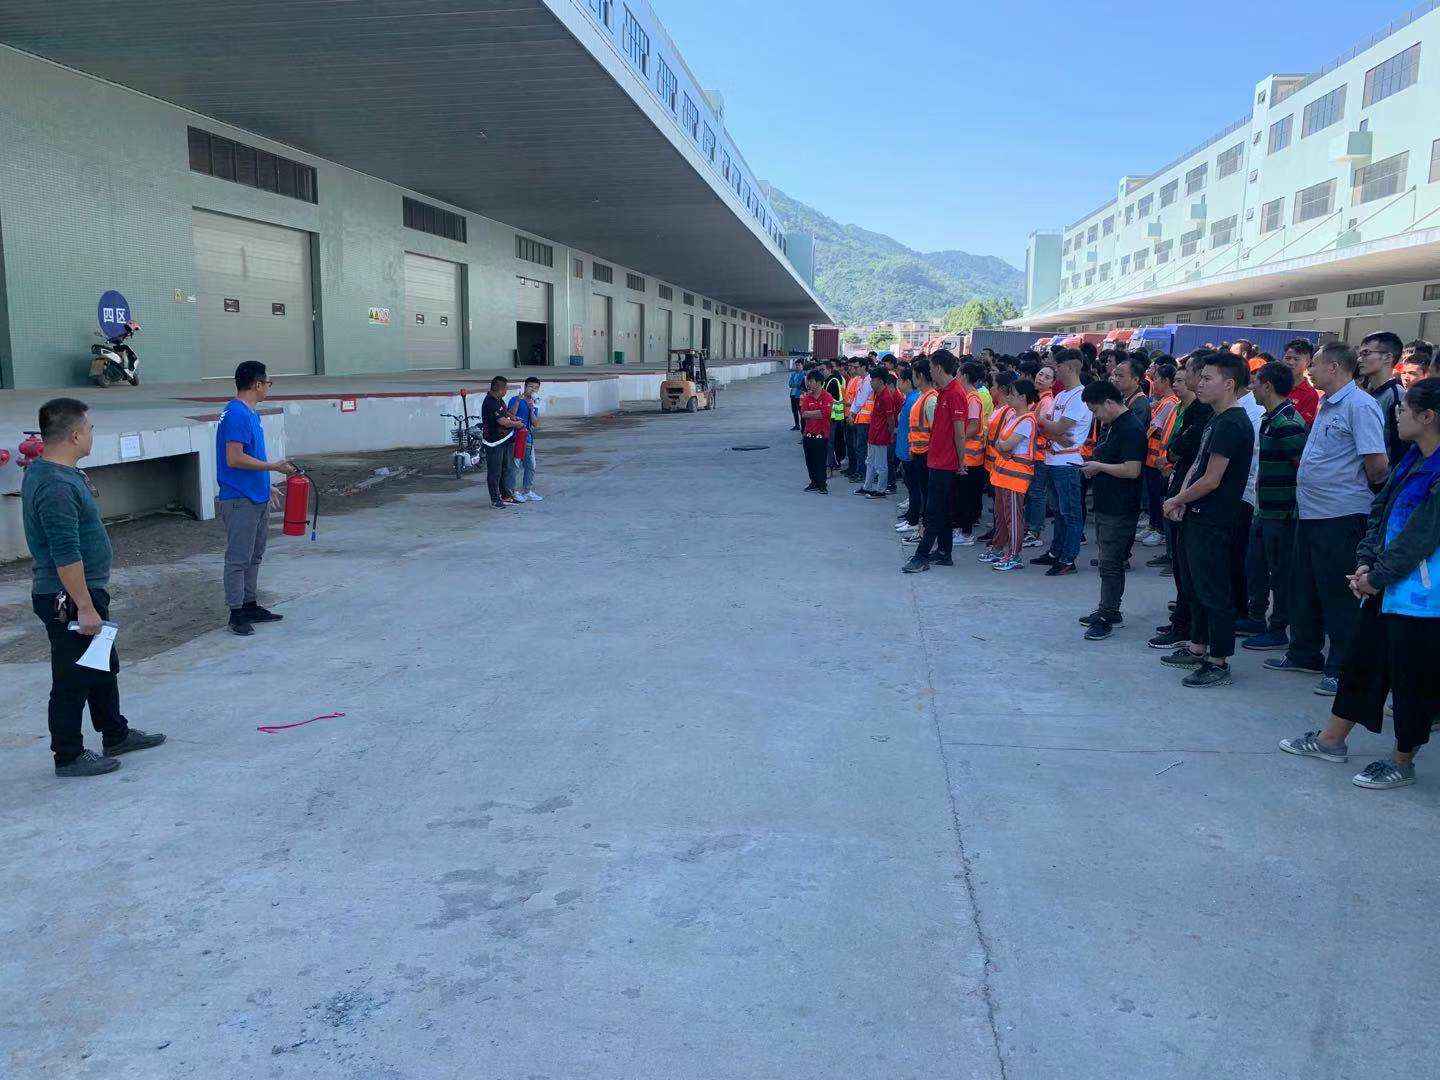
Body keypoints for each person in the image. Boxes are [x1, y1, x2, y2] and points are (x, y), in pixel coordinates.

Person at [1279, 378, 1440, 790]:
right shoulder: (1412, 459)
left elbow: (1420, 538)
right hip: (1385, 587)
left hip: (1422, 600)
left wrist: (1376, 577)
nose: (1397, 414)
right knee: (1362, 663)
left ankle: (1402, 760)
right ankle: (1332, 739)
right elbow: (1380, 510)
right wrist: (1366, 562)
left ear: (1427, 417)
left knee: (1412, 682)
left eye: (1405, 409)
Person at [22, 398, 165, 777]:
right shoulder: (54, 485)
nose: (91, 435)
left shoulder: (59, 472)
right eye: (88, 429)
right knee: (72, 677)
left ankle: (115, 733)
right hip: (67, 596)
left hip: (84, 591)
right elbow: (65, 553)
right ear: (74, 435)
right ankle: (68, 755)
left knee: (100, 665)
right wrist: (84, 606)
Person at [1262, 342, 1389, 694]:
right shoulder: (1328, 403)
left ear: (1333, 368)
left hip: (1341, 514)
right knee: (1305, 585)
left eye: (1315, 365)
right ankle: (1304, 652)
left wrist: (1353, 492)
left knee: (1338, 594)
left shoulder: (1360, 406)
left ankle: (1342, 668)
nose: (1309, 371)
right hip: (1311, 512)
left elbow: (1377, 464)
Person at [1160, 351, 1255, 687]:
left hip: (1215, 519)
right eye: (1199, 377)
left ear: (1229, 384)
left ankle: (1218, 660)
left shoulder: (1232, 423)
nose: (1198, 383)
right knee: (1195, 586)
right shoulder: (1216, 418)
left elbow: (1213, 479)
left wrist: (1178, 499)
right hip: (1196, 513)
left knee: (1214, 590)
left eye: (1207, 378)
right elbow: (1197, 467)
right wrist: (1182, 500)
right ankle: (1197, 646)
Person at [216, 361, 298, 636]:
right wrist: (273, 467)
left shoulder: (249, 413)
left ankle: (249, 604)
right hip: (240, 499)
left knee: (254, 555)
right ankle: (236, 612)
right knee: (239, 557)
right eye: (268, 383)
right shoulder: (237, 414)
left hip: (255, 495)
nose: (269, 388)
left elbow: (251, 456)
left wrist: (266, 484)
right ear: (256, 384)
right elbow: (234, 458)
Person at [1241, 362, 1309, 652]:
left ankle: (1278, 627)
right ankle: (1256, 617)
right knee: (1256, 565)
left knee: (1280, 572)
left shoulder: (1287, 422)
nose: (1252, 387)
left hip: (1281, 513)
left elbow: (1301, 468)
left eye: (1256, 382)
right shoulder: (1271, 418)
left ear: (1267, 386)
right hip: (1264, 509)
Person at [1077, 381, 1147, 639]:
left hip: (1121, 507)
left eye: (1096, 411)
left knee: (1111, 562)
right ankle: (1107, 608)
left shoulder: (1131, 428)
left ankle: (1108, 613)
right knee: (1107, 560)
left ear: (1108, 402)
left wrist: (1098, 467)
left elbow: (1132, 469)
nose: (1096, 417)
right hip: (1108, 503)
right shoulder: (1113, 425)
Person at [1031, 351, 1091, 576]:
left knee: (1070, 513)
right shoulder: (1061, 396)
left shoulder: (1080, 396)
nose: (1056, 370)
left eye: (1058, 366)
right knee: (1058, 511)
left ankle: (1068, 558)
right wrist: (1051, 429)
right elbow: (1046, 428)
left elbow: (1055, 426)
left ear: (1071, 368)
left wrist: (1045, 423)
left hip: (1068, 463)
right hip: (1054, 459)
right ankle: (1056, 552)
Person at [904, 350, 963, 573]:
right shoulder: (944, 392)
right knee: (943, 509)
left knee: (933, 510)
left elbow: (960, 432)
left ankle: (921, 556)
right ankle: (944, 552)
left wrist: (961, 462)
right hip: (935, 459)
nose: (929, 372)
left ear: (938, 368)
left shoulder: (955, 393)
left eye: (930, 368)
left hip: (945, 462)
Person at [987, 379, 1039, 572]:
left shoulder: (1027, 420)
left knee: (1013, 517)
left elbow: (1006, 445)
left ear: (1023, 397)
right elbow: (1001, 442)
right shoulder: (1014, 416)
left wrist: (1002, 446)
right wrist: (1002, 446)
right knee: (1001, 514)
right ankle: (1000, 549)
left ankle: (1014, 555)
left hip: (1015, 478)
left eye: (1012, 394)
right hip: (1003, 475)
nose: (1008, 397)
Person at [1141, 363, 1180, 550]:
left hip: (1159, 460)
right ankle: (1153, 525)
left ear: (1165, 381)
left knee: (1157, 495)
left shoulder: (1170, 402)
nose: (1153, 382)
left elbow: (1155, 427)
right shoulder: (1163, 401)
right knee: (1152, 494)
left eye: (1156, 378)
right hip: (1152, 457)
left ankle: (1159, 530)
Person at [898, 359, 937, 539]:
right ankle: (918, 525)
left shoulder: (930, 399)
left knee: (924, 494)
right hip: (918, 452)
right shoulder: (922, 396)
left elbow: (935, 432)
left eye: (913, 375)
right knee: (921, 491)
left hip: (926, 454)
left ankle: (922, 530)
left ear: (920, 376)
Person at [1359, 331, 1407, 465]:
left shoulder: (1397, 396)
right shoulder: (1364, 393)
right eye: (1360, 354)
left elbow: (1399, 444)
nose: (1360, 359)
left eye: (1366, 353)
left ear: (1388, 357)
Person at [1022, 364, 1056, 546]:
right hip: (1033, 453)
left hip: (1040, 455)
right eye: (1040, 374)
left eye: (1047, 377)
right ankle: (1029, 527)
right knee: (1032, 492)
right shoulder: (1037, 399)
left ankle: (1034, 531)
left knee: (1036, 493)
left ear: (1052, 383)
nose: (1041, 378)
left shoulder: (1047, 402)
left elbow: (1042, 428)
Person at [481, 375, 525, 509]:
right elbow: (502, 421)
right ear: (500, 389)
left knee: (505, 469)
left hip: (504, 440)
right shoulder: (490, 402)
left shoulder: (499, 400)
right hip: (493, 443)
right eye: (505, 388)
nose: (506, 391)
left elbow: (506, 414)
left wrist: (514, 416)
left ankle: (505, 496)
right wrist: (516, 424)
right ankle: (495, 500)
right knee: (494, 472)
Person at [858, 369, 901, 498]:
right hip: (873, 435)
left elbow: (890, 419)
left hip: (881, 436)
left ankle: (881, 490)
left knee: (881, 464)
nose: (871, 383)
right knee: (870, 462)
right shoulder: (878, 394)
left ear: (881, 381)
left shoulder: (886, 397)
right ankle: (867, 487)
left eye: (873, 380)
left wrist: (890, 434)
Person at [506, 376, 543, 502]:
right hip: (515, 437)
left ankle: (527, 490)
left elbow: (535, 423)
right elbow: (510, 414)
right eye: (531, 386)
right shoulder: (515, 399)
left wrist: (531, 409)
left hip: (528, 438)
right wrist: (518, 401)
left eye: (536, 388)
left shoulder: (534, 402)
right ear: (525, 386)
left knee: (531, 465)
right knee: (514, 466)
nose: (533, 389)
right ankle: (512, 491)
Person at [798, 370, 834, 493]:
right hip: (808, 435)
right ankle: (813, 482)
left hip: (822, 435)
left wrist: (811, 413)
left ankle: (822, 484)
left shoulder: (827, 397)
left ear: (818, 383)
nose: (808, 384)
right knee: (810, 461)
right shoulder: (807, 398)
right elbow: (803, 414)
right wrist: (817, 413)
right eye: (808, 381)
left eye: (811, 381)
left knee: (821, 461)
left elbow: (826, 413)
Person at [1282, 339, 1320, 427]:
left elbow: (1302, 427)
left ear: (1307, 363)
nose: (1291, 362)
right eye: (1288, 358)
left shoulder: (1310, 394)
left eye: (1296, 359)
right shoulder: (1273, 384)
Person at [825, 364, 847, 474]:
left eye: (823, 369)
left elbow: (833, 399)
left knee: (831, 442)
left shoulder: (832, 381)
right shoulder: (831, 380)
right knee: (834, 441)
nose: (822, 372)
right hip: (835, 416)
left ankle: (831, 465)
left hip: (833, 416)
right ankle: (834, 462)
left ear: (829, 369)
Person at [787, 359, 806, 430]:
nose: (797, 366)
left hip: (800, 395)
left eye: (799, 365)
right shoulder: (793, 374)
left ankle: (803, 426)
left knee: (801, 411)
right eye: (796, 365)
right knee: (794, 411)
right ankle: (797, 425)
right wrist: (796, 384)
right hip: (793, 395)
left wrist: (795, 384)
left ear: (802, 366)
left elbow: (801, 385)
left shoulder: (804, 375)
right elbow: (790, 384)